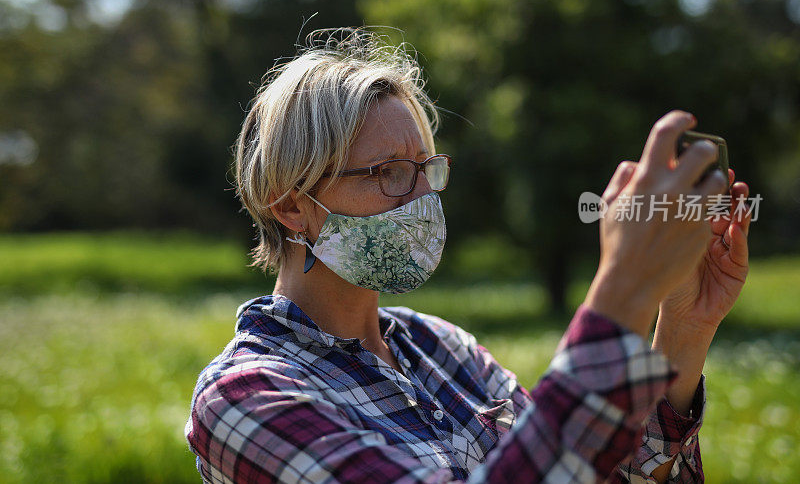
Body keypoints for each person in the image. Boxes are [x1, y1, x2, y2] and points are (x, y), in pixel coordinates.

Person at [185, 28, 752, 483]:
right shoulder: (246, 398)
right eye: (388, 173)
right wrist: (622, 290)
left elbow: (586, 471)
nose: (422, 198)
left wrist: (681, 326)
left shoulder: (440, 346)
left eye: (426, 169)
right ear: (291, 207)